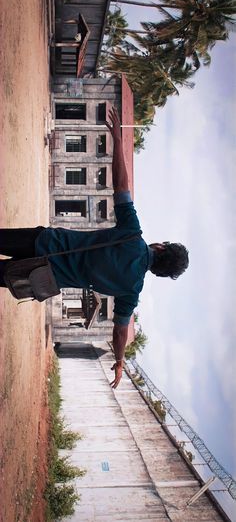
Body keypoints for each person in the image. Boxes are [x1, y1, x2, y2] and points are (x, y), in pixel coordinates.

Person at [0, 107, 189, 388]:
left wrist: (116, 138)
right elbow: (120, 331)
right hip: (40, 278)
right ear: (159, 273)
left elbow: (121, 186)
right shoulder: (131, 290)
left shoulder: (132, 235)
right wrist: (121, 360)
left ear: (160, 247)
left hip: (46, 243)